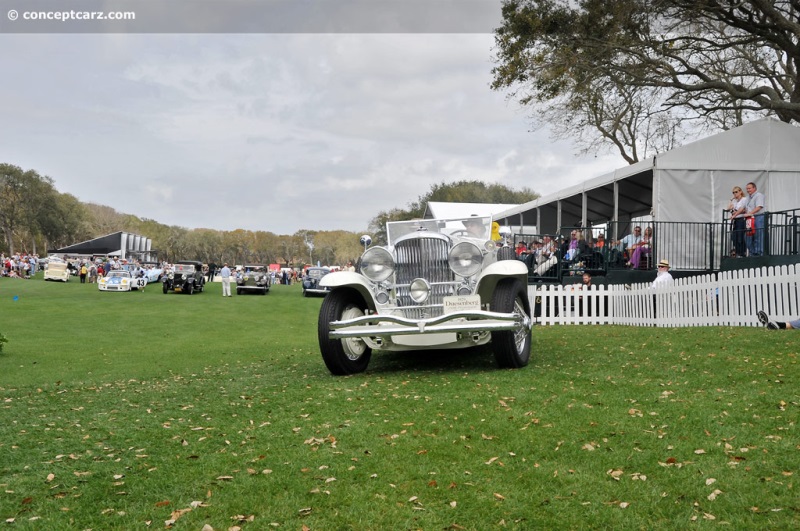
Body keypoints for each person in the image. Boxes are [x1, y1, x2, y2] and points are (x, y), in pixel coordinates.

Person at [745, 181, 766, 256]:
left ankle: (759, 254)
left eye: (749, 188)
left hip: (758, 217)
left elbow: (759, 207)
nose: (748, 190)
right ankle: (752, 253)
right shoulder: (748, 198)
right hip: (750, 219)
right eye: (747, 189)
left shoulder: (759, 195)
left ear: (754, 188)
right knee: (748, 237)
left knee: (758, 235)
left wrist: (749, 213)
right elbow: (745, 208)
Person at [728, 186, 748, 257]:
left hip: (741, 220)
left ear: (740, 192)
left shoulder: (744, 199)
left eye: (736, 192)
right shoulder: (735, 201)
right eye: (733, 192)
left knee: (740, 237)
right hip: (736, 220)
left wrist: (735, 213)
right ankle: (738, 252)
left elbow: (743, 210)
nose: (735, 194)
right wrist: (731, 200)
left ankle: (742, 253)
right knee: (734, 237)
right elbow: (729, 208)